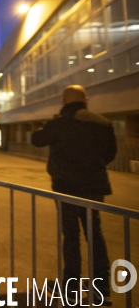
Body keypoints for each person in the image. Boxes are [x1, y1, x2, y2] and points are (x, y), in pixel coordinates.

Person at [31, 85, 116, 306]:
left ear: (64, 100)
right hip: (94, 188)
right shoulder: (103, 123)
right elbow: (110, 154)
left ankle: (71, 287)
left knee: (71, 235)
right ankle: (101, 288)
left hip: (66, 187)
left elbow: (37, 139)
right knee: (94, 234)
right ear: (86, 99)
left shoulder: (60, 123)